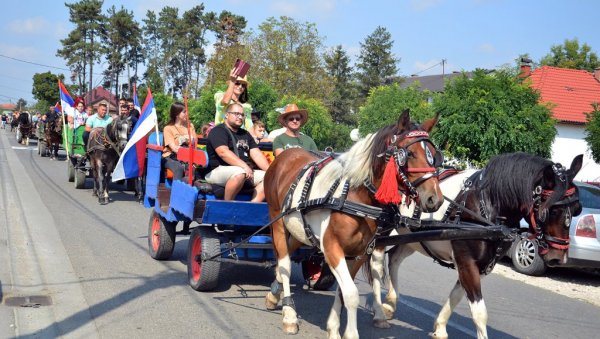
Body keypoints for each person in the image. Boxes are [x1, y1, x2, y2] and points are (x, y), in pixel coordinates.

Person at [205, 103, 269, 201]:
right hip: (218, 170)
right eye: (236, 114)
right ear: (226, 115)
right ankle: (227, 206)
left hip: (244, 170)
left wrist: (271, 171)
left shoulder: (245, 134)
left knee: (270, 178)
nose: (240, 117)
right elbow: (223, 152)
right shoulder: (218, 131)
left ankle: (252, 206)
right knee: (240, 173)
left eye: (242, 115)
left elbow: (257, 155)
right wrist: (244, 166)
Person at [162, 102, 197, 181]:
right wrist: (182, 140)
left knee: (198, 168)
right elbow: (174, 148)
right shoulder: (168, 128)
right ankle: (177, 192)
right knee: (178, 167)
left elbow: (195, 143)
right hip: (171, 157)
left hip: (189, 156)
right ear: (177, 114)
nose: (187, 114)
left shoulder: (190, 126)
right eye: (184, 112)